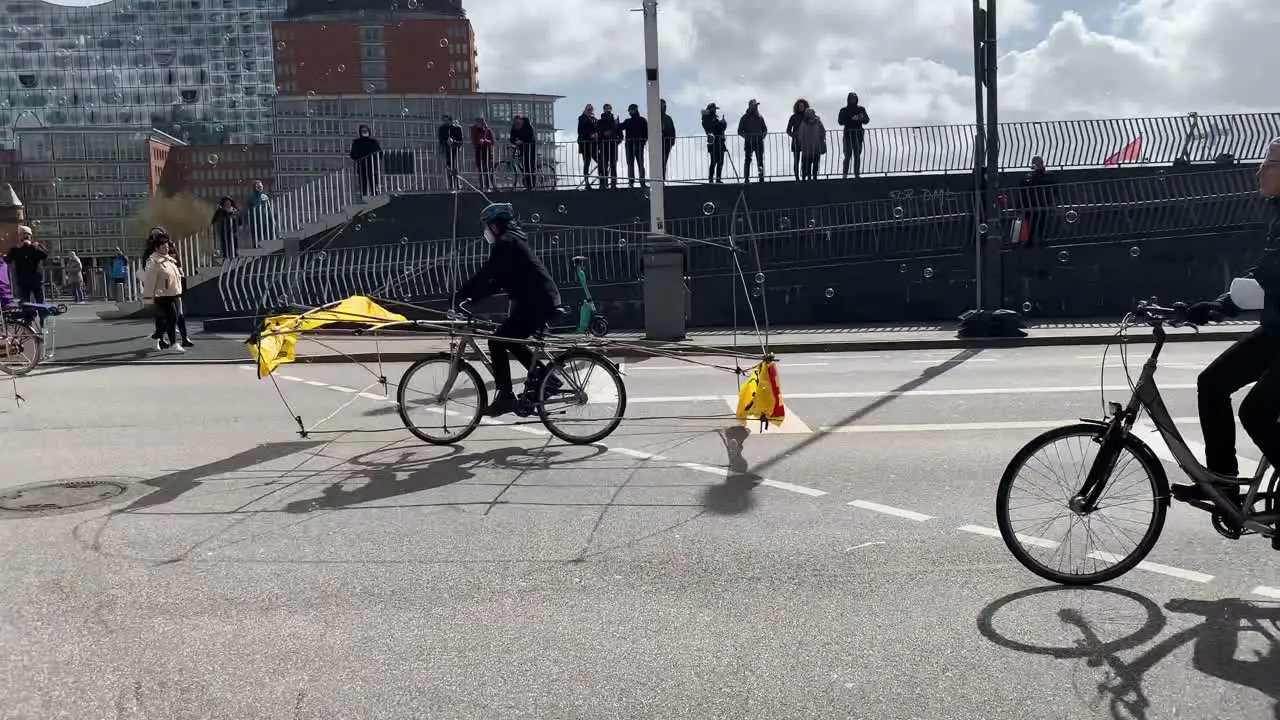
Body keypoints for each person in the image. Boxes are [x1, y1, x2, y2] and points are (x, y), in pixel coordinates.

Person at [1181, 136, 1280, 503]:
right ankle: (1222, 483)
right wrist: (1217, 306)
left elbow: (1271, 272)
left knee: (1255, 413)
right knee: (1212, 383)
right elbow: (1266, 274)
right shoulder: (1278, 215)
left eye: (1268, 164)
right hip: (1276, 331)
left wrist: (1220, 306)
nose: (1259, 170)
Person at [452, 203, 562, 417]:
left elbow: (487, 274)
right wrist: (470, 297)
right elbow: (496, 282)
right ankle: (547, 380)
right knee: (510, 339)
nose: (485, 231)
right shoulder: (511, 241)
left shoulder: (506, 243)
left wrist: (459, 295)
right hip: (539, 301)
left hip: (537, 303)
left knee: (497, 341)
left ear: (494, 225)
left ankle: (506, 394)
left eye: (486, 226)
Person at [141, 235, 184, 353]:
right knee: (172, 317)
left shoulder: (169, 260)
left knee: (171, 319)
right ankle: (173, 343)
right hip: (162, 295)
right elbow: (149, 282)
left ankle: (157, 337)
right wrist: (148, 299)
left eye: (167, 246)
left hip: (173, 293)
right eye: (163, 247)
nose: (166, 249)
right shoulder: (153, 262)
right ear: (157, 249)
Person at [4, 225, 46, 303]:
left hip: (36, 278)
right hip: (22, 279)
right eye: (22, 235)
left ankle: (42, 313)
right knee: (25, 301)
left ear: (30, 236)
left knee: (40, 300)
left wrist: (33, 246)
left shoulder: (36, 246)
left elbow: (44, 255)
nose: (24, 237)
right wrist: (8, 254)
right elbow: (8, 260)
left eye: (26, 235)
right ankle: (29, 314)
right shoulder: (16, 249)